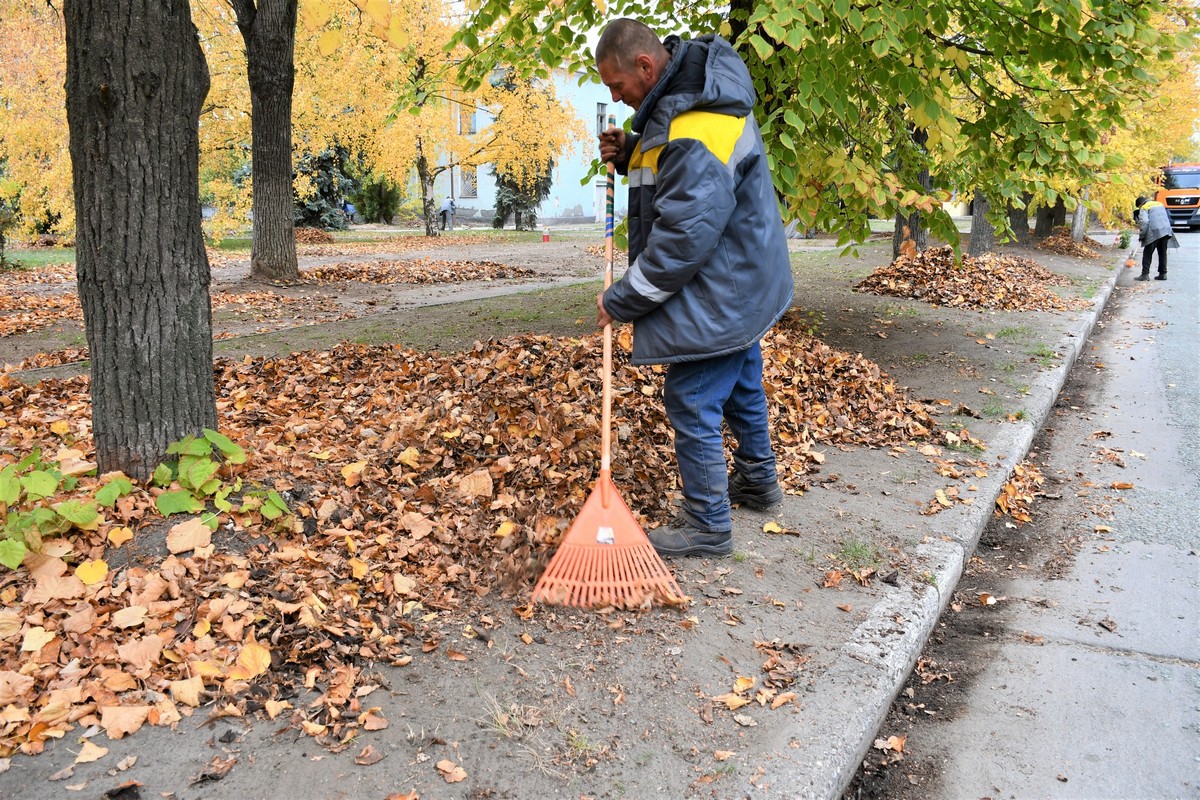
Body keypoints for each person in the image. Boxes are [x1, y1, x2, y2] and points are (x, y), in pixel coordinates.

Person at [594, 18, 794, 558]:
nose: (615, 96)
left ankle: (707, 525)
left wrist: (621, 299)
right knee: (743, 382)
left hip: (723, 283)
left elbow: (684, 236)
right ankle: (757, 482)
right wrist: (633, 148)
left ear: (645, 66)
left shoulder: (698, 120)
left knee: (693, 395)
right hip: (745, 275)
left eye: (617, 86)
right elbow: (673, 166)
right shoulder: (686, 98)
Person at [1133, 196, 1178, 281]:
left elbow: (1144, 222)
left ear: (1140, 204)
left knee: (1147, 253)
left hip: (1154, 231)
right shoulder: (1159, 204)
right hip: (1166, 230)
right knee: (1162, 252)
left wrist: (1142, 236)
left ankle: (1145, 275)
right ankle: (1163, 274)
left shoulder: (1144, 207)